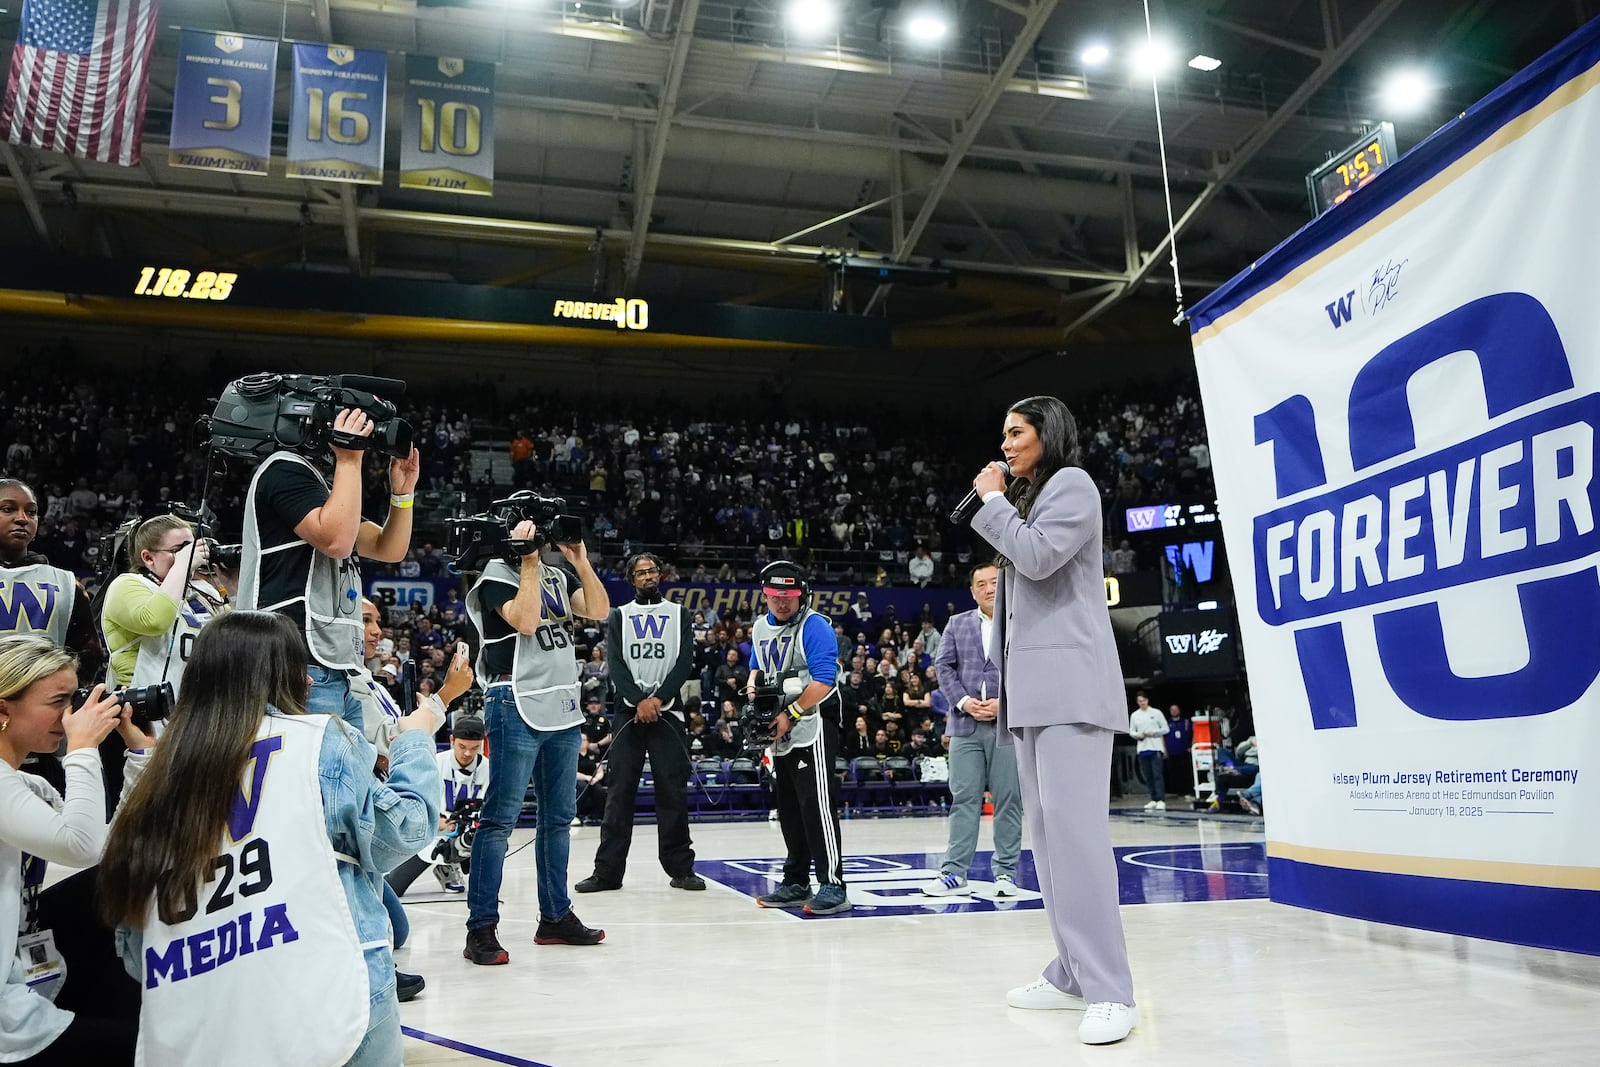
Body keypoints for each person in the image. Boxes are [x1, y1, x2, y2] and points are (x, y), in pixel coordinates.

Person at [94, 610, 438, 1064]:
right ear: (280, 675)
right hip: (329, 989)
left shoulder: (159, 767)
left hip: (204, 1013)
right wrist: (415, 742)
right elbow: (401, 833)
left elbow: (135, 947)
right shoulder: (322, 740)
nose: (312, 682)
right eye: (302, 668)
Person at [967, 395, 1137, 1045]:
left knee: (1078, 841)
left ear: (1047, 432)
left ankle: (1111, 987)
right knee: (1048, 840)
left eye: (1016, 432)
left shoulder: (1072, 484)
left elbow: (1037, 558)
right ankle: (1070, 971)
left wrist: (991, 500)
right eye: (1003, 433)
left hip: (1071, 690)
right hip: (1033, 696)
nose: (1005, 444)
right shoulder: (1032, 498)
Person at [462, 521, 610, 965]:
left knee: (559, 819)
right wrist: (527, 560)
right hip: (513, 700)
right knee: (500, 820)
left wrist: (580, 561)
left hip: (561, 705)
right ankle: (480, 928)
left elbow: (600, 610)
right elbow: (526, 621)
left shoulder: (555, 574)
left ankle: (555, 917)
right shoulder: (494, 574)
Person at [235, 407, 420, 734]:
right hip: (296, 660)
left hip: (334, 668)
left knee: (344, 779)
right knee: (313, 779)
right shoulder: (283, 468)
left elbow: (387, 548)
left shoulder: (320, 490)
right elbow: (336, 540)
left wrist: (402, 495)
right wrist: (350, 460)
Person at [0, 636, 134, 1063]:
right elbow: (80, 845)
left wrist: (139, 755)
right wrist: (83, 748)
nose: (71, 714)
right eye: (59, 700)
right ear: (3, 710)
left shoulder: (25, 784)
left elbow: (109, 848)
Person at [575, 553, 704, 894]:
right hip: (628, 713)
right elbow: (615, 664)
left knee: (672, 793)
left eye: (652, 571)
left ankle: (681, 868)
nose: (648, 576)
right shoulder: (619, 615)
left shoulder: (680, 614)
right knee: (618, 794)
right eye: (641, 572)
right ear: (632, 579)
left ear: (660, 575)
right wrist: (639, 701)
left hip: (668, 712)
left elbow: (684, 662)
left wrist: (657, 700)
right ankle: (607, 873)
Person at [745, 560, 849, 916]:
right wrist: (752, 687)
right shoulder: (760, 627)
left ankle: (833, 884)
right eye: (775, 596)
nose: (782, 603)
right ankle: (795, 880)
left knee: (816, 805)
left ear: (802, 595)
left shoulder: (815, 626)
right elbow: (758, 666)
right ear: (765, 595)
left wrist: (790, 715)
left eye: (789, 596)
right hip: (780, 727)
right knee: (788, 807)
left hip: (811, 724)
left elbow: (823, 681)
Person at [923, 562, 1022, 898]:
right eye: (981, 584)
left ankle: (1005, 873)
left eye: (995, 582)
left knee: (1008, 799)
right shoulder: (956, 623)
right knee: (964, 798)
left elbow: (1028, 667)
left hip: (1006, 724)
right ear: (972, 591)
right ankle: (954, 873)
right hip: (964, 724)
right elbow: (943, 666)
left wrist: (1004, 702)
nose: (989, 588)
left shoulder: (1019, 621)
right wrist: (963, 701)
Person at [100, 515, 226, 695]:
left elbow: (235, 638)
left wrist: (232, 586)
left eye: (191, 547)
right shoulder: (126, 585)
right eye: (179, 550)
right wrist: (181, 565)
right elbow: (154, 621)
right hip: (143, 704)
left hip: (198, 701)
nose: (190, 556)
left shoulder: (203, 590)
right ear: (148, 558)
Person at [0, 480, 100, 676]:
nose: (22, 519)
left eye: (31, 512)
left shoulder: (67, 584)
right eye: (8, 509)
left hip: (43, 701)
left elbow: (88, 655)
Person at [387, 716, 490, 896]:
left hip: (466, 832)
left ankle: (453, 866)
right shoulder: (434, 762)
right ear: (452, 740)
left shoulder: (489, 768)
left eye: (475, 748)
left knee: (492, 842)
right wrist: (436, 821)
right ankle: (444, 866)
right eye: (462, 747)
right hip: (433, 829)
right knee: (393, 888)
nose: (468, 753)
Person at [1128, 691, 1168, 811]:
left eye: (1144, 700)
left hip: (1155, 747)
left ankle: (1161, 799)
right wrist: (1138, 735)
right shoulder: (1135, 715)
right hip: (1143, 748)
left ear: (1147, 700)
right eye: (1140, 701)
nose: (1142, 703)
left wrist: (1154, 732)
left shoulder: (1156, 713)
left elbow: (1165, 729)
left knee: (1157, 775)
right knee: (1148, 775)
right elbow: (1131, 731)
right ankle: (1153, 798)